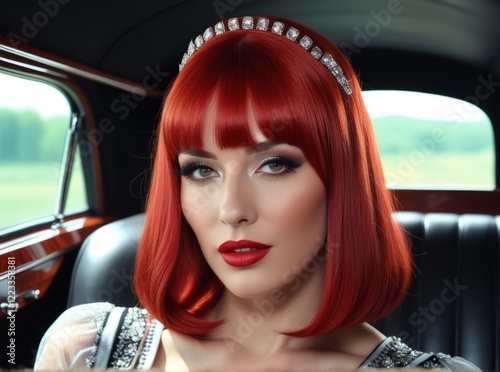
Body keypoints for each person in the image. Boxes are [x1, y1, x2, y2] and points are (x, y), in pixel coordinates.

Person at [34, 15, 481, 370]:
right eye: (201, 170)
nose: (232, 211)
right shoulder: (82, 351)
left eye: (274, 164)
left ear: (340, 180)